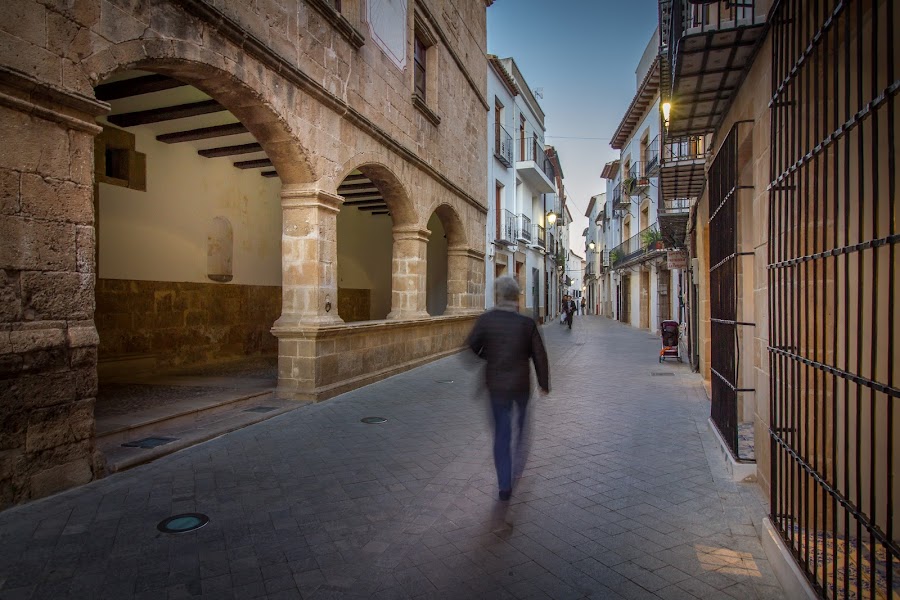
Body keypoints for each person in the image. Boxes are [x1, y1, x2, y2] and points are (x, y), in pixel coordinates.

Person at [467, 276, 550, 501]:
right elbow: (539, 355)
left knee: (501, 434)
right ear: (516, 297)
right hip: (521, 385)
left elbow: (472, 346)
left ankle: (505, 484)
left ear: (498, 296)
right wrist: (543, 383)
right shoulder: (527, 323)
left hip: (496, 387)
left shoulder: (486, 320)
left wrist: (489, 357)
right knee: (521, 431)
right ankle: (516, 469)